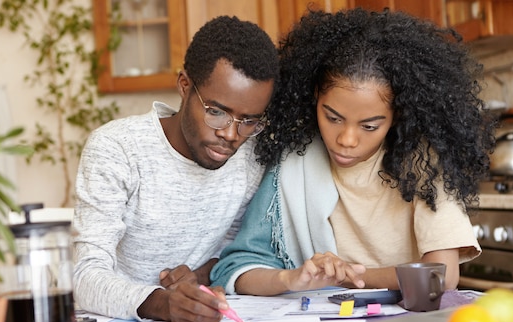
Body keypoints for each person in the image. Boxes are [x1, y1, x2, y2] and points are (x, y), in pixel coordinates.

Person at [210, 8, 496, 296]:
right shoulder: (294, 162)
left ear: (397, 115)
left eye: (369, 126)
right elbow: (235, 268)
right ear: (314, 98)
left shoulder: (424, 164)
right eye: (332, 118)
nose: (346, 139)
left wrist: (346, 277)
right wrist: (293, 279)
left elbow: (442, 276)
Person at [72, 16, 279, 322]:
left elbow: (238, 250)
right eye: (217, 112)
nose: (231, 134)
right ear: (185, 86)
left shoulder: (250, 156)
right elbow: (84, 275)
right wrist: (164, 303)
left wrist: (199, 276)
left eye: (249, 120)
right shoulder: (118, 149)